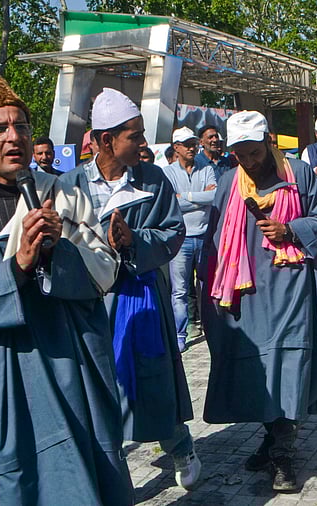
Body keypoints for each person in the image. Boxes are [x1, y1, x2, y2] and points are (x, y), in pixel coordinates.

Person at [0, 69, 133, 504]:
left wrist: (60, 252)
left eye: (20, 126)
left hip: (71, 363)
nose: (13, 137)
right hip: (3, 374)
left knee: (90, 477)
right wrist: (19, 265)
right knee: (21, 485)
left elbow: (103, 273)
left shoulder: (64, 195)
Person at [61, 88, 201, 490]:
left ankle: (179, 446)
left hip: (140, 298)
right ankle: (109, 469)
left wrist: (133, 240)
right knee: (100, 386)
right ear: (107, 140)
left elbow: (173, 232)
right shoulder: (70, 184)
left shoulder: (153, 179)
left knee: (152, 378)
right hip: (89, 303)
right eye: (134, 136)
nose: (143, 144)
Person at [200, 110, 317, 492]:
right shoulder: (228, 182)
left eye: (255, 153)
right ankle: (272, 437)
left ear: (269, 142)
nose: (249, 161)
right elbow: (214, 239)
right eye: (240, 155)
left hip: (292, 291)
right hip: (248, 295)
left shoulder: (299, 174)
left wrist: (290, 229)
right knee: (258, 371)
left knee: (288, 367)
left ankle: (283, 454)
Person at [163, 126, 217, 352]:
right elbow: (171, 203)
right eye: (187, 144)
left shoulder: (207, 168)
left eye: (193, 144)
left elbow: (214, 196)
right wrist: (200, 199)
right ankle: (180, 335)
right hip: (181, 239)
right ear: (176, 147)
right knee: (180, 290)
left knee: (208, 287)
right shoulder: (167, 173)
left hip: (205, 236)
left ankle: (213, 330)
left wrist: (185, 196)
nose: (192, 148)